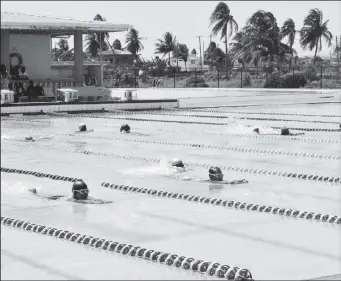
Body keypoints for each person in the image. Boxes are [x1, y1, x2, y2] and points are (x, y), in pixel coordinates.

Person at [29, 180, 112, 204]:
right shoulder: (75, 200)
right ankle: (34, 193)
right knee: (47, 198)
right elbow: (87, 202)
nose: (86, 193)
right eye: (83, 191)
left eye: (87, 191)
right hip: (63, 199)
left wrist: (103, 200)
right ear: (75, 192)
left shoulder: (84, 197)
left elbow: (94, 199)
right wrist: (100, 203)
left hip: (65, 196)